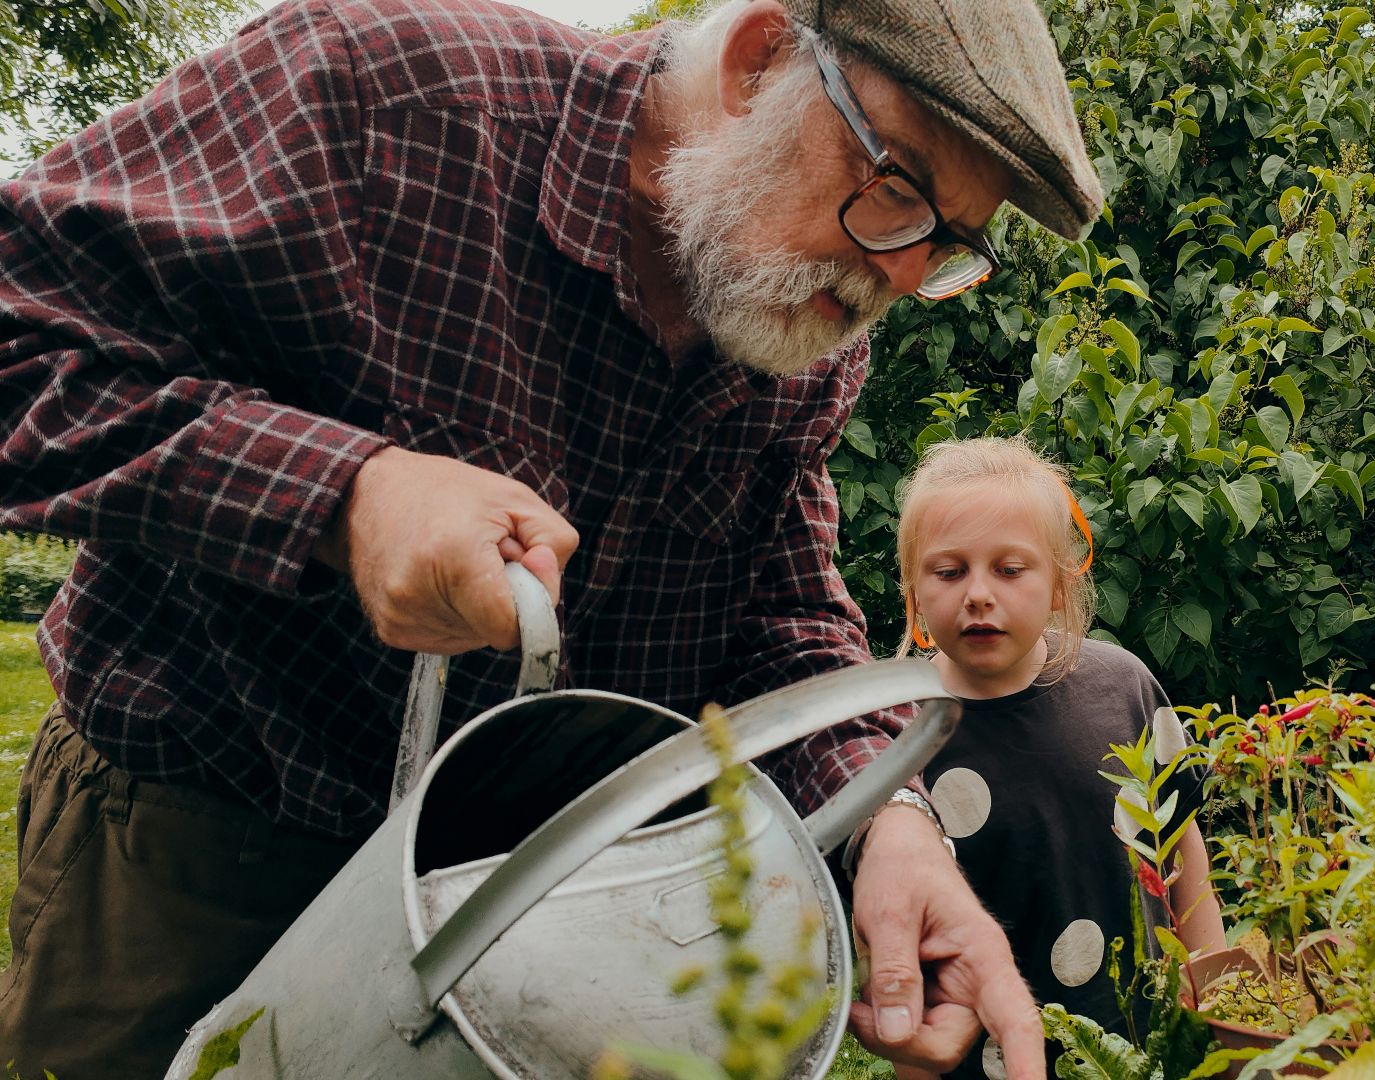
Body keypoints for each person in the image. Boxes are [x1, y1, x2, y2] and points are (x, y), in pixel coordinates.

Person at [0, 0, 1105, 1074]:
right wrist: (347, 495)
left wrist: (888, 821)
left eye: (949, 242)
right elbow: (25, 339)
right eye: (901, 189)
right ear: (761, 62)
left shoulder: (803, 319)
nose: (906, 275)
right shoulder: (387, 92)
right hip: (194, 853)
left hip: (527, 906)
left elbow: (777, 614)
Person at [888, 437, 1227, 1079]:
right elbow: (902, 936)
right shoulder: (896, 733)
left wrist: (1213, 995)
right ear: (913, 592)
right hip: (982, 1060)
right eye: (949, 571)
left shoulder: (1121, 687)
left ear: (1059, 586)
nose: (979, 594)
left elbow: (1183, 850)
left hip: (1146, 1037)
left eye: (1010, 569)